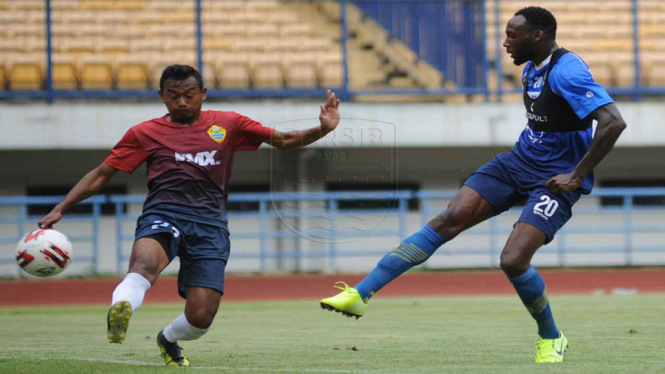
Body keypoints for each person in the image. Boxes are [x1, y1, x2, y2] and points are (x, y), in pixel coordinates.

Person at [320, 6, 626, 363]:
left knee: (512, 261)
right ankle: (360, 295)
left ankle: (551, 336)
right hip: (517, 162)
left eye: (513, 35)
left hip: (555, 180)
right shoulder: (531, 68)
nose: (505, 43)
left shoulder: (568, 72)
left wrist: (576, 173)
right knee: (447, 219)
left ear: (537, 36)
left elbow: (613, 123)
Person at [38, 65, 340, 367]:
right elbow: (102, 174)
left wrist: (323, 130)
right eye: (173, 96)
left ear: (203, 94)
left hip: (210, 225)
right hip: (163, 213)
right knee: (144, 265)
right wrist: (61, 207)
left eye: (188, 95)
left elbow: (284, 139)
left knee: (201, 318)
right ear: (161, 97)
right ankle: (121, 308)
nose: (181, 102)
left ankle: (168, 338)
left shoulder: (229, 123)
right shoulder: (144, 133)